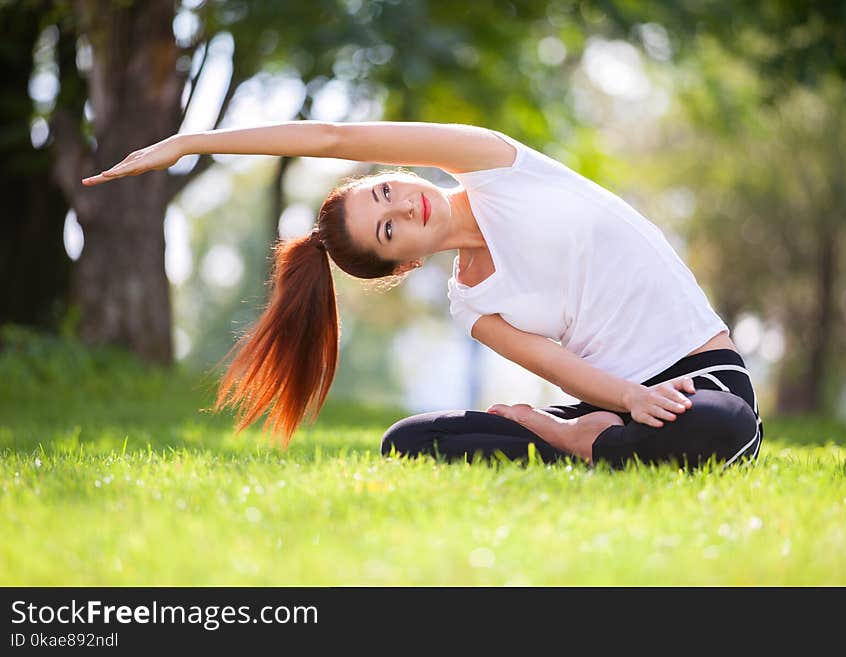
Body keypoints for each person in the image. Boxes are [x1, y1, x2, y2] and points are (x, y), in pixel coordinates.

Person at [83, 120, 763, 469]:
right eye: (388, 230)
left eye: (386, 192)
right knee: (407, 440)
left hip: (695, 379)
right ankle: (582, 435)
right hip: (614, 398)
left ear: (395, 173)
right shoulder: (473, 302)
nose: (405, 209)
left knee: (730, 429)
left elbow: (333, 136)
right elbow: (560, 367)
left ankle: (572, 438)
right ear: (400, 263)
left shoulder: (495, 164)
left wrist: (188, 141)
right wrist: (627, 401)